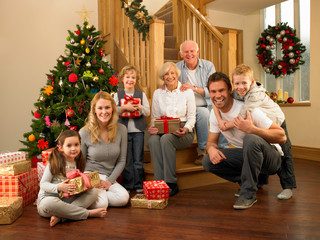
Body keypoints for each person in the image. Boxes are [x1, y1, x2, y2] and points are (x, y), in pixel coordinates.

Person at [202, 72, 287, 209]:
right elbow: (211, 142)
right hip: (247, 156)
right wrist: (211, 149)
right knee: (207, 161)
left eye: (221, 90)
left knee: (251, 138)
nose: (217, 95)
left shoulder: (247, 110)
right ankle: (253, 180)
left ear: (230, 90)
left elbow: (282, 136)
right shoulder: (214, 113)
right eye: (213, 91)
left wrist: (252, 129)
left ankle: (248, 194)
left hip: (271, 158)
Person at [213, 64, 296, 200]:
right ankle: (260, 182)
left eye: (244, 83)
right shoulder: (238, 91)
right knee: (259, 150)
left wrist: (226, 124)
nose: (240, 87)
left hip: (276, 121)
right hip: (260, 123)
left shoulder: (255, 94)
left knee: (285, 154)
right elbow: (216, 102)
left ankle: (288, 187)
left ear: (251, 82)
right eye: (237, 83)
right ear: (233, 84)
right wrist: (218, 120)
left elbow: (244, 114)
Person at [37, 130, 107, 227]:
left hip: (67, 200)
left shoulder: (78, 161)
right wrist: (59, 187)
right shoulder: (54, 163)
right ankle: (88, 214)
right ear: (61, 148)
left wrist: (85, 184)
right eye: (69, 146)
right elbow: (43, 184)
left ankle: (62, 217)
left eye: (76, 144)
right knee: (48, 203)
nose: (73, 148)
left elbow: (76, 183)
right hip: (50, 201)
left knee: (93, 192)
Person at [176, 40, 228, 165]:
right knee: (202, 113)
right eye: (186, 52)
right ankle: (202, 151)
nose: (189, 54)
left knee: (221, 112)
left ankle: (224, 149)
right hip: (188, 108)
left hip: (209, 103)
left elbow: (213, 90)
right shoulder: (176, 67)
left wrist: (193, 88)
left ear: (197, 52)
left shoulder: (208, 66)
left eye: (192, 51)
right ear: (181, 54)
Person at [148, 62, 196, 197]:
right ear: (162, 77)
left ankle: (171, 182)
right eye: (166, 74)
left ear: (177, 74)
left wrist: (186, 129)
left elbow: (192, 117)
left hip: (183, 130)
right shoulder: (158, 93)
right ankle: (159, 181)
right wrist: (152, 128)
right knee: (152, 140)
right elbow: (155, 117)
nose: (170, 76)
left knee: (166, 139)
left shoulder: (187, 92)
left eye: (172, 73)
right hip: (163, 127)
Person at [79, 91, 129, 209]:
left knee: (123, 198)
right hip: (90, 175)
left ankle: (94, 198)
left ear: (113, 109)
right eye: (100, 108)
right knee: (102, 203)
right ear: (94, 110)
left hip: (108, 177)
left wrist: (109, 182)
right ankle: (98, 199)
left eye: (107, 107)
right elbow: (80, 163)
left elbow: (122, 161)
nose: (104, 112)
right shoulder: (84, 132)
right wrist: (92, 181)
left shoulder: (122, 130)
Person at [113, 65, 150, 192]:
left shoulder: (141, 94)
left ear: (136, 79)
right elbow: (113, 111)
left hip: (138, 131)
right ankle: (128, 185)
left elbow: (148, 111)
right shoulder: (118, 95)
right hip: (123, 132)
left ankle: (139, 184)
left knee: (138, 159)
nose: (130, 80)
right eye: (127, 77)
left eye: (133, 77)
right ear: (122, 79)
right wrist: (123, 108)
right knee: (127, 159)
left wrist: (140, 108)